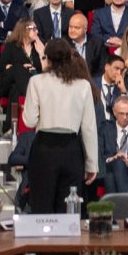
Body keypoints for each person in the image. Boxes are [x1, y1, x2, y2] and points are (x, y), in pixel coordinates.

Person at [18, 36, 96, 212]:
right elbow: (89, 129)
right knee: (68, 210)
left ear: (47, 58)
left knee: (42, 208)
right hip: (71, 149)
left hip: (44, 148)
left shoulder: (36, 81)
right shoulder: (83, 85)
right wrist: (92, 164)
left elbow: (29, 121)